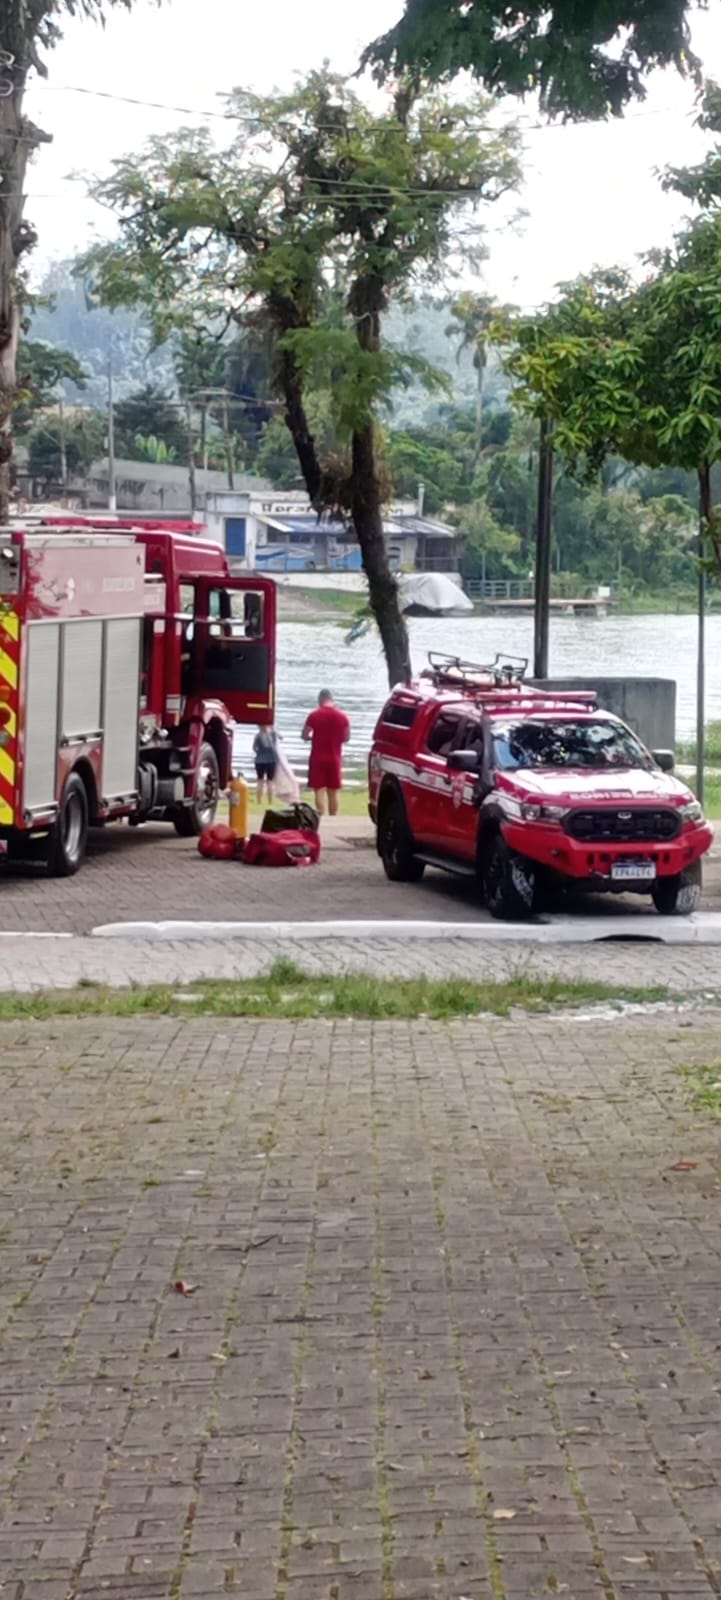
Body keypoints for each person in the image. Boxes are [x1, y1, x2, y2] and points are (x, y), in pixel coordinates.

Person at [302, 689, 351, 816]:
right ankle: (333, 817)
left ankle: (321, 817)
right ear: (331, 699)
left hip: (317, 758)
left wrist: (310, 738)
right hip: (334, 758)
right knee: (333, 792)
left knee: (319, 790)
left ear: (320, 700)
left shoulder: (314, 715)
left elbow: (305, 734)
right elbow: (346, 737)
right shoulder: (343, 717)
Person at [253, 724, 278, 805]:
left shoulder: (258, 736)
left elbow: (254, 748)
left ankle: (259, 801)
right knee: (270, 781)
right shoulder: (273, 734)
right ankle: (270, 802)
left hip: (259, 761)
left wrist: (259, 752)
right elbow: (275, 745)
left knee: (260, 781)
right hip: (271, 760)